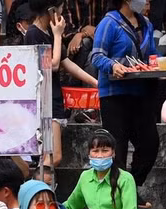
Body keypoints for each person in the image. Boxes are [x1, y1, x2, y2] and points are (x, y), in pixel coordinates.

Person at [91, 0, 160, 204]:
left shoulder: (146, 23)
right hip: (114, 95)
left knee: (150, 143)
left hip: (140, 93)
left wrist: (160, 65)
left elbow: (152, 55)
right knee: (118, 147)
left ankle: (132, 185)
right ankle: (123, 195)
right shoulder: (109, 23)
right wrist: (113, 66)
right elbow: (97, 56)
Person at [26, 0, 95, 166]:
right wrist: (58, 35)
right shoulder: (34, 34)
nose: (62, 13)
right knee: (53, 156)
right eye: (61, 9)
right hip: (44, 101)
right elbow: (53, 65)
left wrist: (95, 82)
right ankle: (37, 183)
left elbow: (66, 62)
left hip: (54, 98)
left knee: (50, 156)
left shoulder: (48, 32)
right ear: (51, 11)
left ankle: (43, 182)